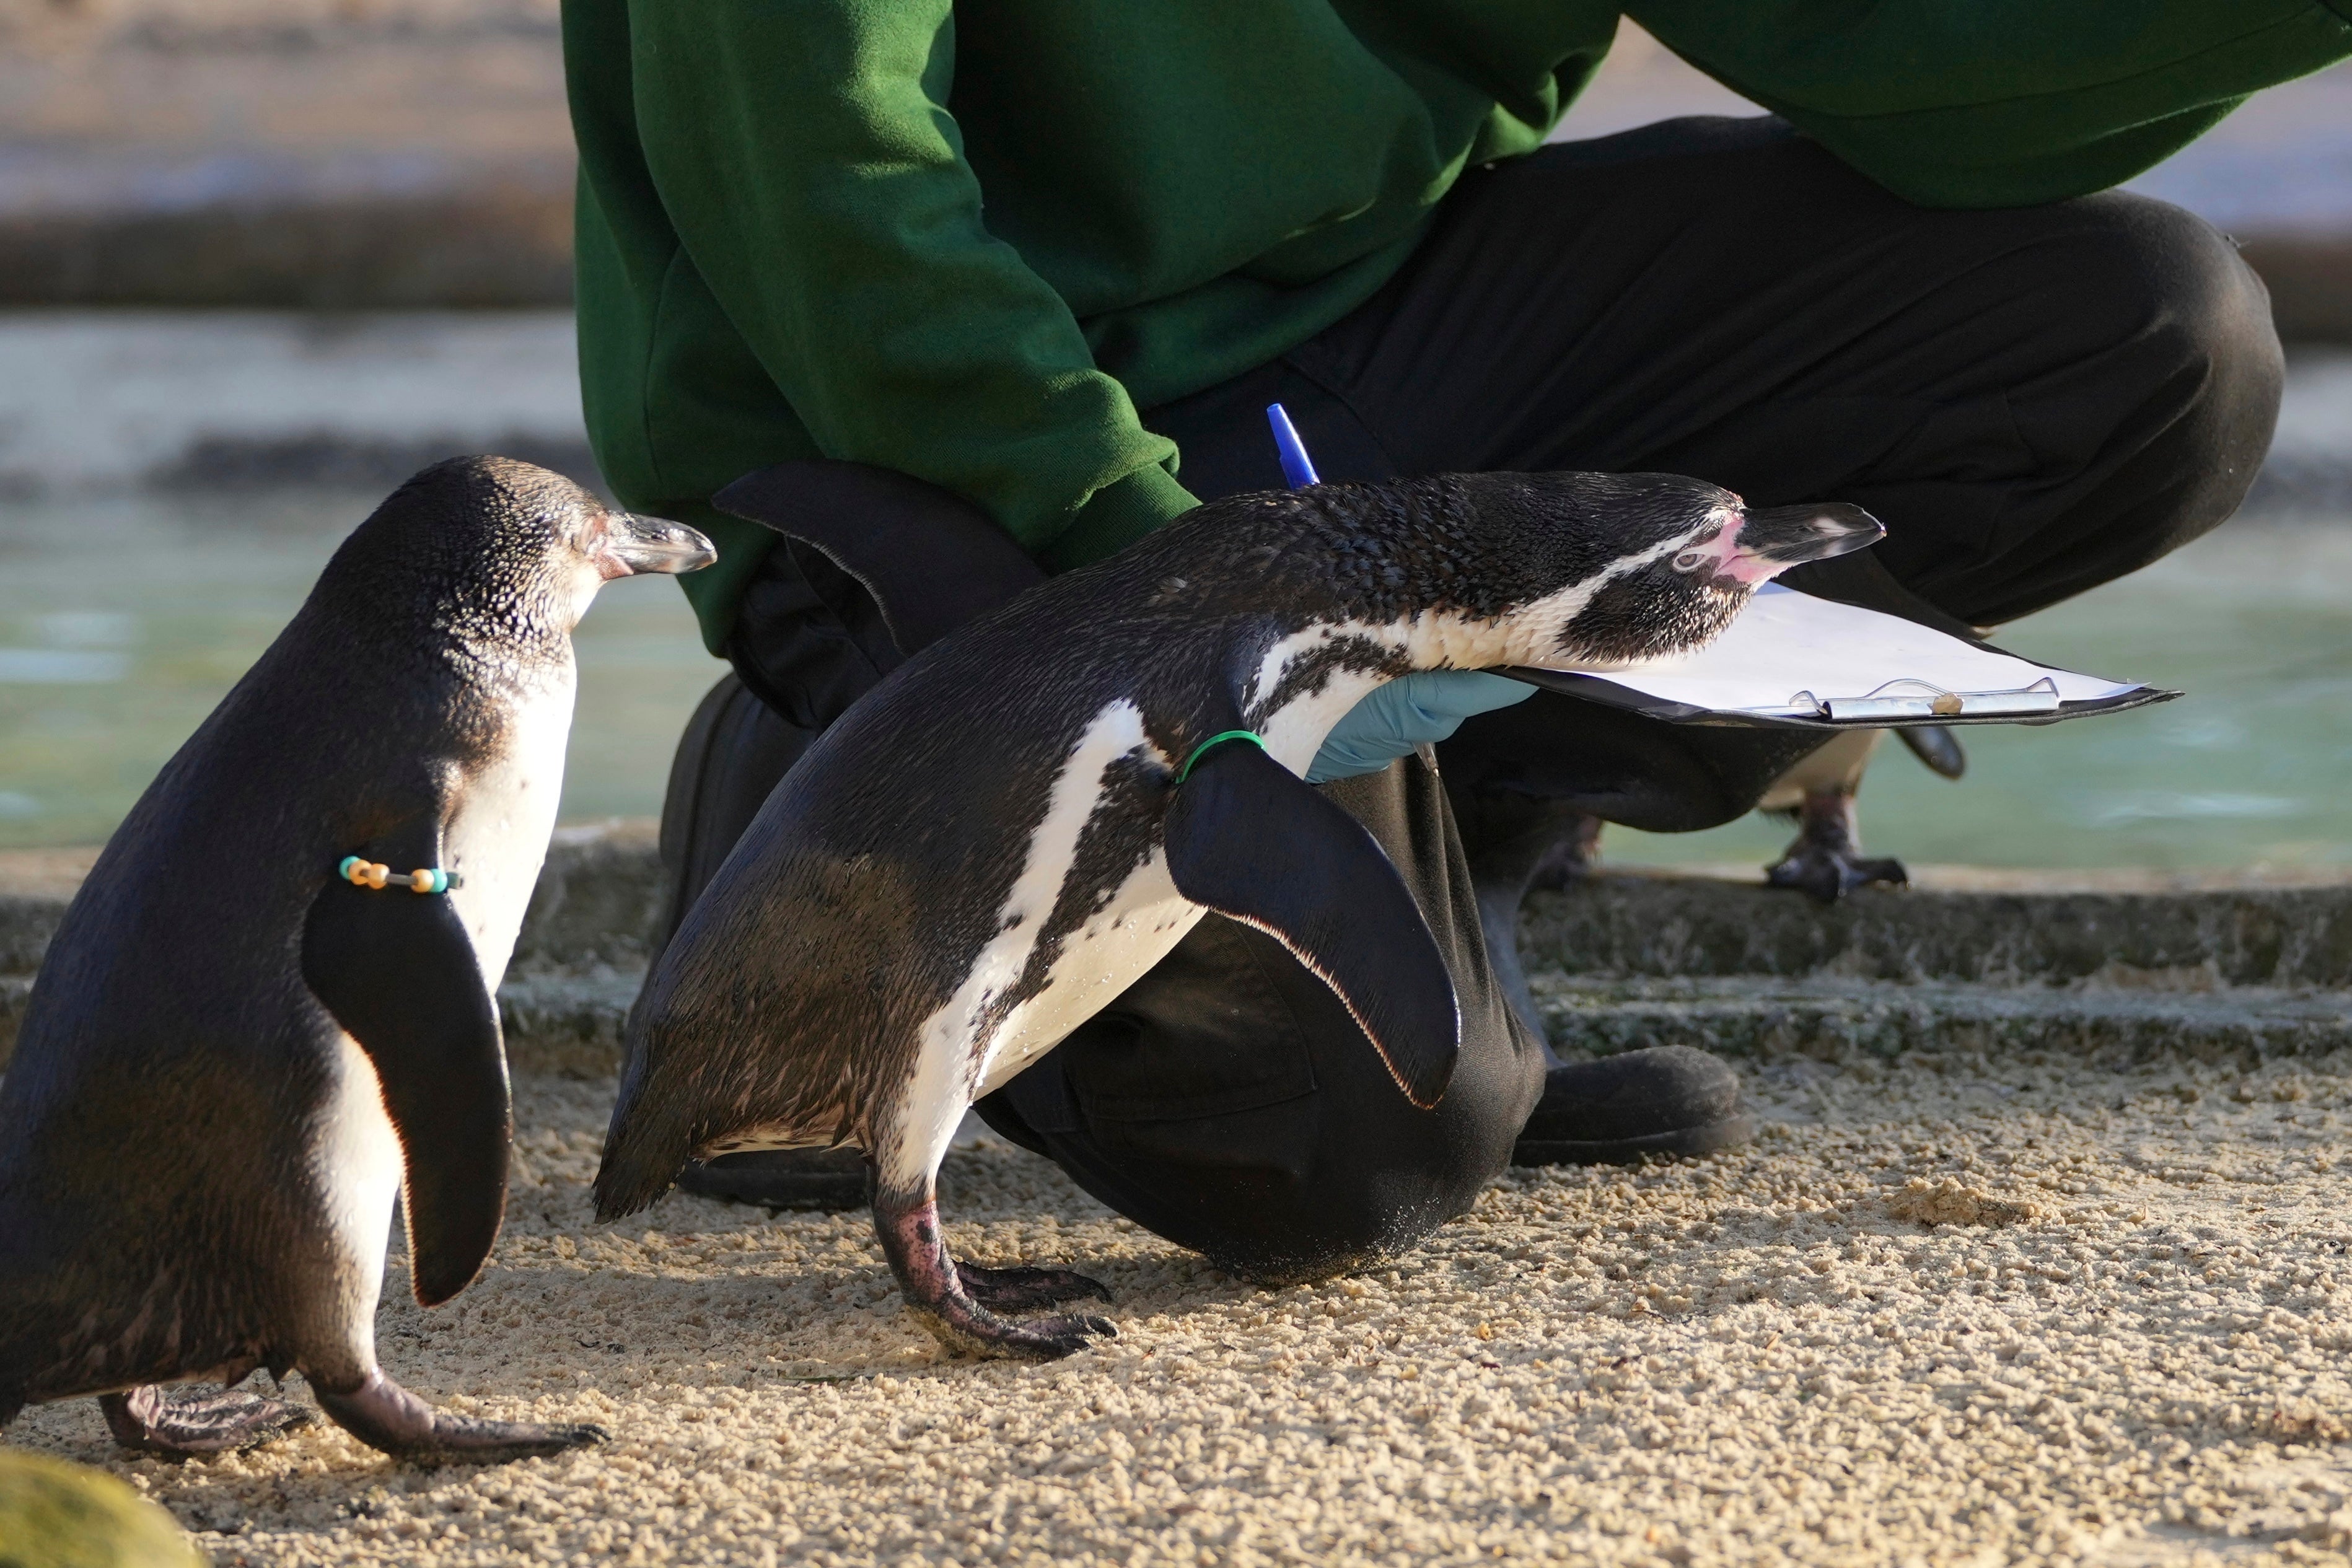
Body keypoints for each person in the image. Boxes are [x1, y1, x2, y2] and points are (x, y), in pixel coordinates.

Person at [561, 4, 2345, 1275]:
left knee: (2150, 345)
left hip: (1351, 373)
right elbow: (823, 185)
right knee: (1360, 1159)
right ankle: (837, 799)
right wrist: (1188, 590)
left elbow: (1882, 47)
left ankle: (1452, 827)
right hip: (907, 434)